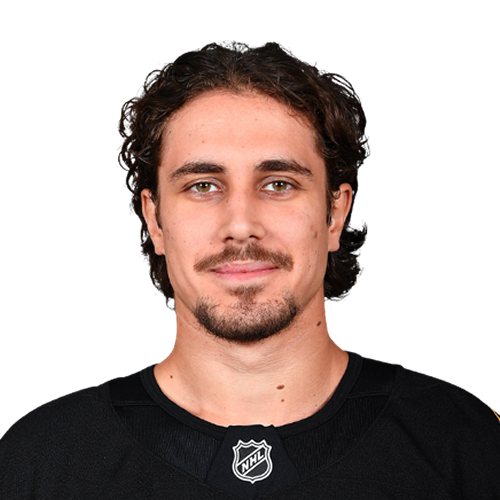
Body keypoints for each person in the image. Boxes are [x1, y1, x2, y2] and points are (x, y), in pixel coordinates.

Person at [1, 42, 499, 499]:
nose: (241, 226)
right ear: (155, 220)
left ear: (335, 214)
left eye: (278, 184)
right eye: (203, 185)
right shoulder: (37, 459)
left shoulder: (467, 444)